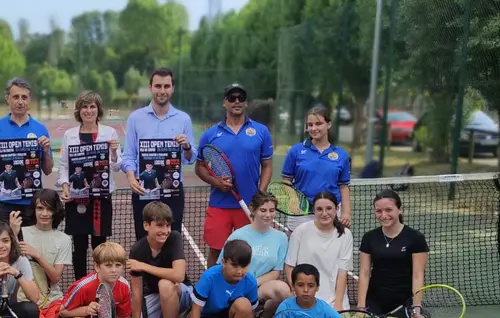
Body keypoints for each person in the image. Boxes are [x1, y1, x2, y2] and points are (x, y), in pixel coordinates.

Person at [196, 83, 274, 262]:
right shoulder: (210, 134)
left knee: (249, 252)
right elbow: (199, 167)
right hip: (219, 204)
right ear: (225, 102)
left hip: (248, 205)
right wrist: (215, 182)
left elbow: (267, 165)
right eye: (232, 98)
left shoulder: (261, 132)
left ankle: (247, 289)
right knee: (216, 252)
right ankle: (212, 289)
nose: (236, 101)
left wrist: (260, 193)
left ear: (246, 103)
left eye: (241, 98)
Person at [122, 67, 196, 241]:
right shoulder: (135, 118)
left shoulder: (183, 119)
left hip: (173, 191)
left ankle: (173, 270)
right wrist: (132, 179)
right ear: (150, 87)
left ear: (172, 88)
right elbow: (129, 156)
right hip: (143, 191)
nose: (162, 91)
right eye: (158, 86)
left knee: (172, 238)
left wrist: (186, 146)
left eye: (166, 86)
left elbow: (190, 159)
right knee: (144, 239)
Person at [57, 90, 123, 279]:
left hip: (100, 199)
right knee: (78, 246)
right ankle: (80, 283)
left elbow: (117, 166)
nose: (88, 110)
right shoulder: (70, 135)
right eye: (84, 106)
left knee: (99, 245)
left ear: (98, 109)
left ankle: (99, 282)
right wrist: (64, 187)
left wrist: (113, 152)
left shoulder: (109, 133)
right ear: (79, 110)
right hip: (76, 199)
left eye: (92, 106)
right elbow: (63, 166)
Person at [357, 189, 431, 318]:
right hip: (376, 303)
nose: (383, 215)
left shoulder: (415, 238)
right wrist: (361, 308)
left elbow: (418, 275)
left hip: (402, 305)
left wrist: (416, 309)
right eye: (379, 211)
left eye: (389, 210)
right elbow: (364, 272)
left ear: (400, 210)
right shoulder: (369, 238)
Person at [0, 78, 53, 226]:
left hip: (31, 200)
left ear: (29, 100)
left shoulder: (40, 129)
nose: (20, 101)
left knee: (29, 245)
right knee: (3, 245)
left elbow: (48, 170)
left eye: (24, 97)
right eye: (16, 97)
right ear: (7, 99)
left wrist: (45, 152)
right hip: (2, 201)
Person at [8, 189, 72, 318]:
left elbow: (56, 277)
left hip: (54, 300)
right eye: (40, 208)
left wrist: (37, 255)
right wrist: (13, 234)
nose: (44, 213)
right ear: (34, 210)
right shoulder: (22, 233)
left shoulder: (63, 239)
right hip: (28, 302)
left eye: (49, 209)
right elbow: (8, 263)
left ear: (55, 211)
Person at [127, 201, 191, 318]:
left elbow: (179, 275)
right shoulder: (137, 250)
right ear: (146, 226)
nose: (165, 230)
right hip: (154, 298)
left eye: (168, 225)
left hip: (182, 293)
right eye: (160, 225)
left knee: (165, 285)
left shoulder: (174, 238)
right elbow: (136, 294)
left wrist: (143, 266)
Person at [217, 192, 290, 318]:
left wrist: (252, 283)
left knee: (283, 290)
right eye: (263, 210)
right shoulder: (238, 235)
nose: (268, 215)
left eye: (271, 210)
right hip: (237, 287)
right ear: (253, 210)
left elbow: (276, 273)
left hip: (259, 286)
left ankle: (264, 316)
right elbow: (221, 268)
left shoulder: (281, 238)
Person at [281, 106, 352, 229]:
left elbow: (343, 186)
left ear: (328, 124)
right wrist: (292, 199)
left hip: (330, 212)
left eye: (318, 124)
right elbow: (286, 180)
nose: (313, 128)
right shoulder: (295, 151)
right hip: (300, 212)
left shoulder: (341, 155)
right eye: (310, 125)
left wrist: (346, 212)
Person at [284, 191, 353, 314]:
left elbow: (342, 273)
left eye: (329, 208)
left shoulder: (346, 235)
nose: (324, 213)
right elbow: (289, 266)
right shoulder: (300, 231)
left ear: (337, 209)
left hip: (334, 301)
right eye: (319, 209)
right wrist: (297, 292)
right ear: (314, 211)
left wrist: (338, 305)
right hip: (303, 298)